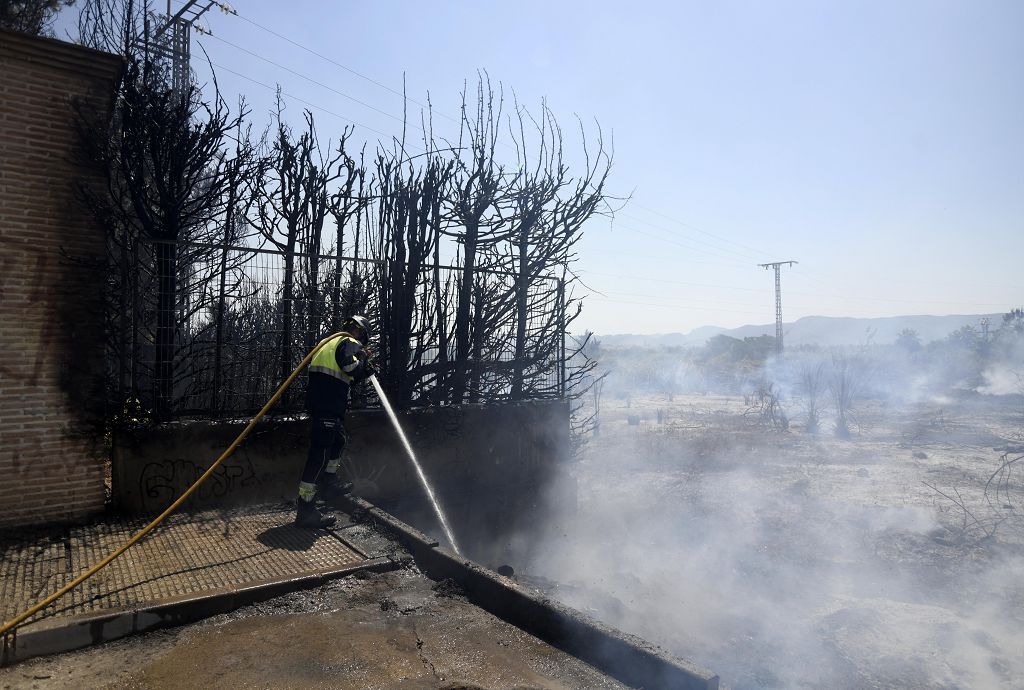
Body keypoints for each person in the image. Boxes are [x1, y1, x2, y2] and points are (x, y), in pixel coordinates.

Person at [295, 315, 378, 528]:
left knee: (338, 440)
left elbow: (346, 372)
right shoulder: (349, 342)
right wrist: (362, 359)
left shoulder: (331, 344)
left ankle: (329, 483)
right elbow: (351, 368)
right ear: (361, 332)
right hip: (327, 405)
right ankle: (306, 508)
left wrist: (363, 367)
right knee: (320, 454)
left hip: (324, 404)